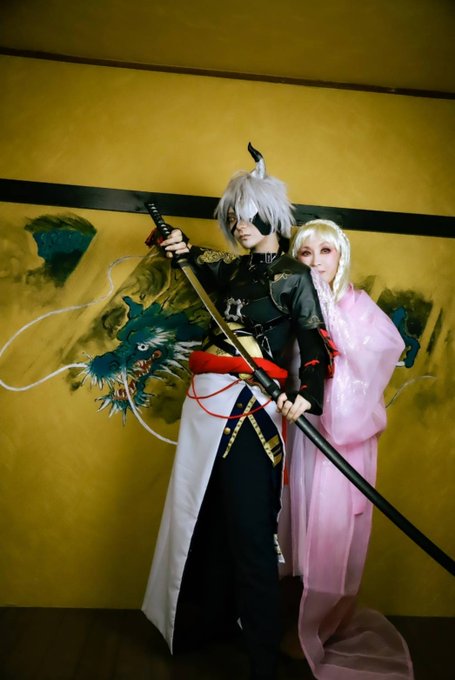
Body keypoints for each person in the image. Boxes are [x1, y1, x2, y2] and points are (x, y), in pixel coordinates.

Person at [142, 145, 336, 680]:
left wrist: (307, 393)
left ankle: (261, 656)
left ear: (271, 216)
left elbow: (314, 344)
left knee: (251, 528)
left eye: (246, 215)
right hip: (205, 406)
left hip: (253, 407)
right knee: (200, 515)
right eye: (231, 217)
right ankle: (202, 626)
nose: (237, 225)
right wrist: (177, 245)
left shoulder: (294, 277)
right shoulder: (227, 269)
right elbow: (191, 258)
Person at [279, 219, 414, 679]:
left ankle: (320, 627)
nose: (316, 261)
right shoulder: (290, 304)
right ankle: (289, 620)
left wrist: (333, 323)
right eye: (305, 253)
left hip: (344, 436)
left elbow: (381, 354)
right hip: (302, 427)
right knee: (293, 525)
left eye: (326, 251)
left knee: (332, 529)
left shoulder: (357, 306)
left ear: (341, 258)